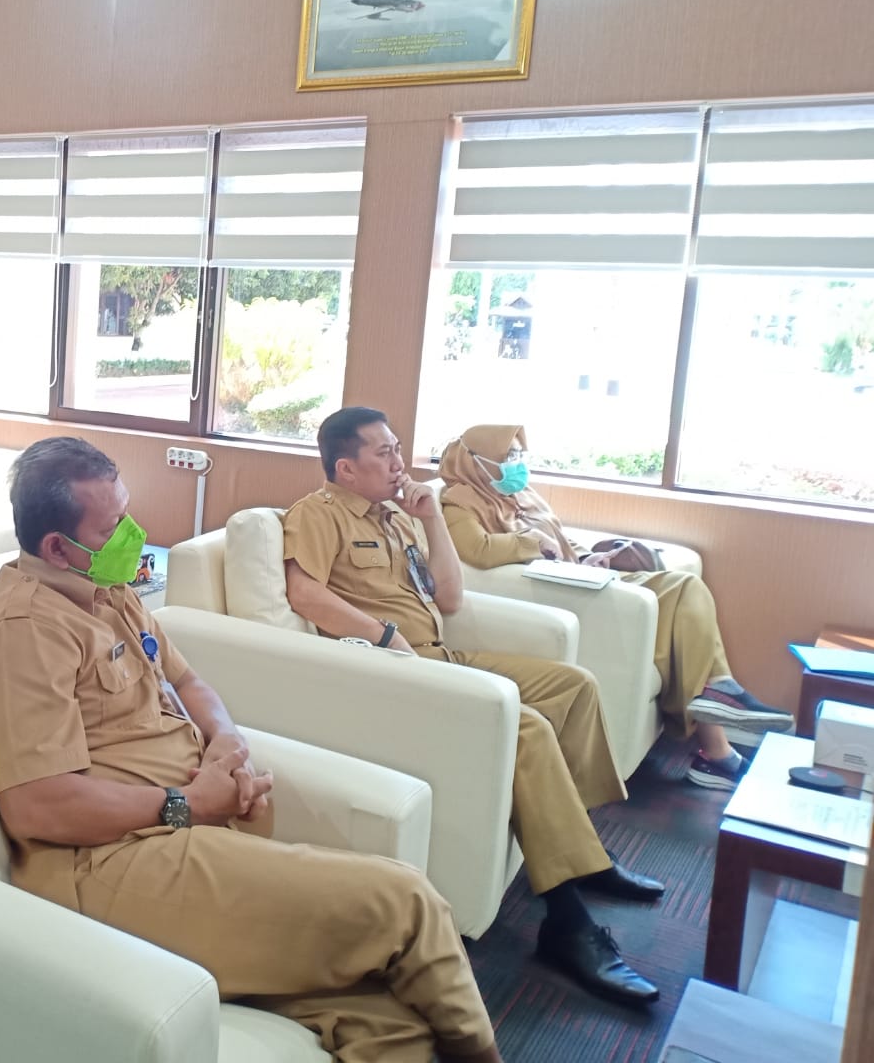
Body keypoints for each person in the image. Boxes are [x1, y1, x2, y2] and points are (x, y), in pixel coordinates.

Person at [0, 436, 504, 1063]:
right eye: (115, 526)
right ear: (57, 547)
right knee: (404, 900)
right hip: (110, 862)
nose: (135, 532)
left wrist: (225, 739)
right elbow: (38, 807)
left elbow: (185, 681)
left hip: (193, 828)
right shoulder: (22, 632)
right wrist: (185, 803)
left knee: (386, 1016)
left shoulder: (107, 591)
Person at [283, 407, 664, 1007]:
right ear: (346, 468)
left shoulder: (401, 515)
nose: (399, 461)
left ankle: (580, 850)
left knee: (574, 686)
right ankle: (567, 923)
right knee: (527, 730)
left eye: (398, 448)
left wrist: (430, 519)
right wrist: (384, 638)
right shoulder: (317, 513)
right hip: (397, 674)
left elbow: (451, 596)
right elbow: (304, 591)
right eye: (383, 453)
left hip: (445, 655)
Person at [438, 424, 793, 790]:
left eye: (519, 455)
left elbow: (558, 536)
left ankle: (717, 718)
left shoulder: (519, 494)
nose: (517, 464)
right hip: (560, 594)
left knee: (686, 593)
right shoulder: (458, 502)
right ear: (477, 462)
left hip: (580, 575)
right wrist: (531, 542)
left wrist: (592, 556)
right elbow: (477, 551)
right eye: (507, 456)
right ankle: (717, 726)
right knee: (685, 589)